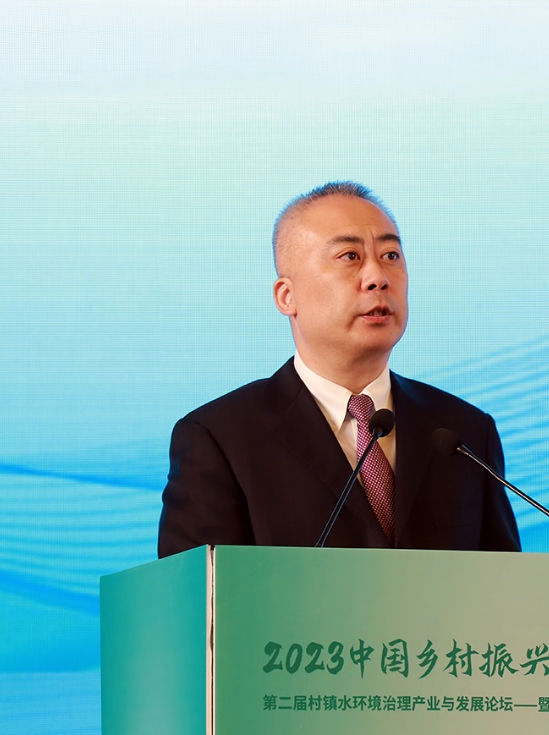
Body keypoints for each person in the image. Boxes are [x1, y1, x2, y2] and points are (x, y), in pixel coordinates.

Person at [157, 182, 520, 557]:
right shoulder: (219, 438)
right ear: (287, 296)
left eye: (391, 255)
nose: (378, 277)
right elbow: (198, 591)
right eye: (350, 256)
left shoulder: (464, 433)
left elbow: (507, 583)